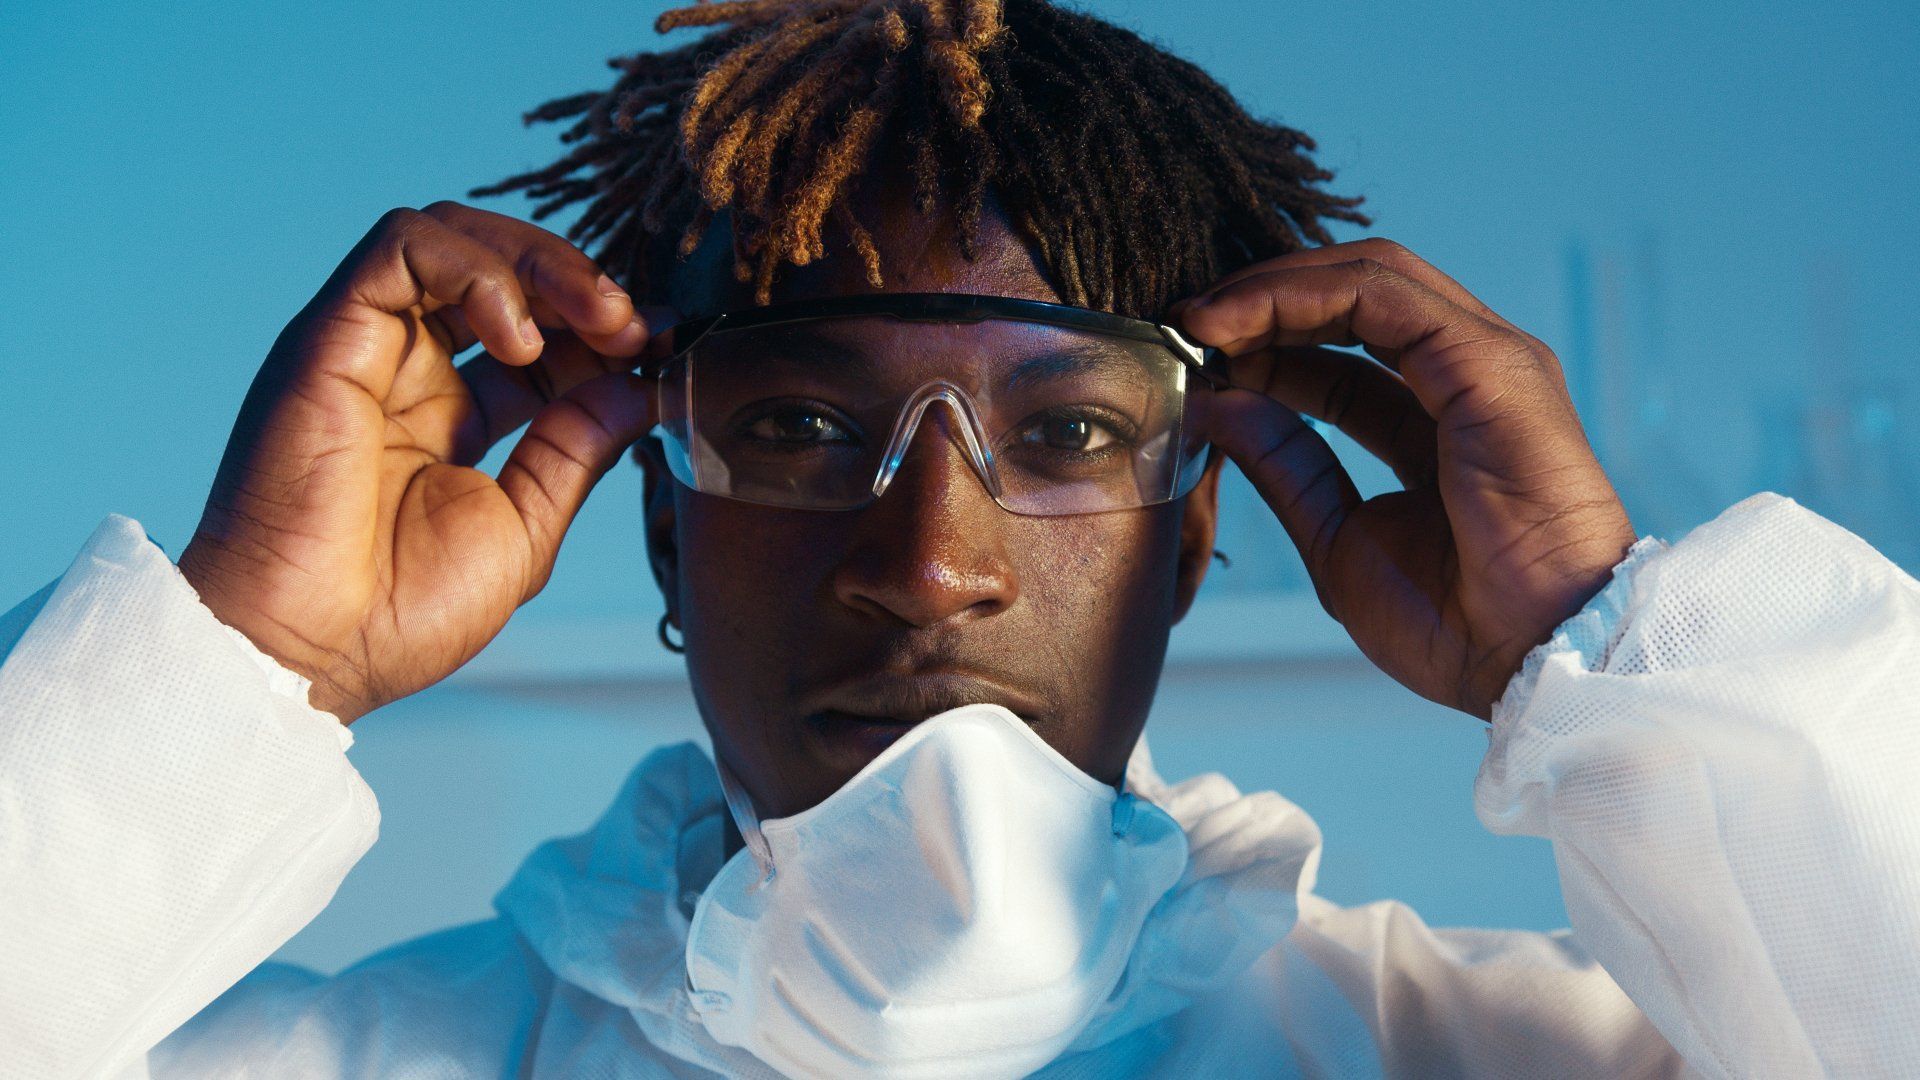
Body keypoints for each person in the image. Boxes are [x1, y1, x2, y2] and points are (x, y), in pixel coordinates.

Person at [2, 0, 1916, 1076]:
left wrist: (1605, 628)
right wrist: (250, 658)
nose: (932, 561)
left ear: (1190, 541)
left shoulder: (1526, 1063)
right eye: (805, 425)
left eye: (1072, 433)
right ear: (658, 531)